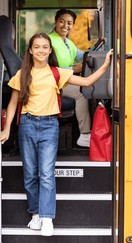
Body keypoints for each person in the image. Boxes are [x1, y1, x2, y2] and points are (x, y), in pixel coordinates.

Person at [0, 33, 112, 236]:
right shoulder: (22, 74)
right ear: (31, 50)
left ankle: (47, 218)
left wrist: (106, 64)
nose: (41, 50)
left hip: (49, 126)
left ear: (50, 51)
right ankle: (36, 214)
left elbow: (86, 82)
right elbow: (13, 103)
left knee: (47, 173)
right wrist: (6, 129)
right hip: (27, 125)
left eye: (45, 47)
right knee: (30, 174)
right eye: (37, 47)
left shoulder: (57, 73)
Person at [49, 9, 92, 147]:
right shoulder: (49, 40)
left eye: (69, 23)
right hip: (54, 83)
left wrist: (97, 49)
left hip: (65, 80)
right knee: (82, 94)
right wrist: (73, 69)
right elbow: (48, 68)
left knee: (90, 88)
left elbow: (83, 56)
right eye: (61, 21)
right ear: (56, 22)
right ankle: (85, 135)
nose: (65, 26)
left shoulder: (68, 43)